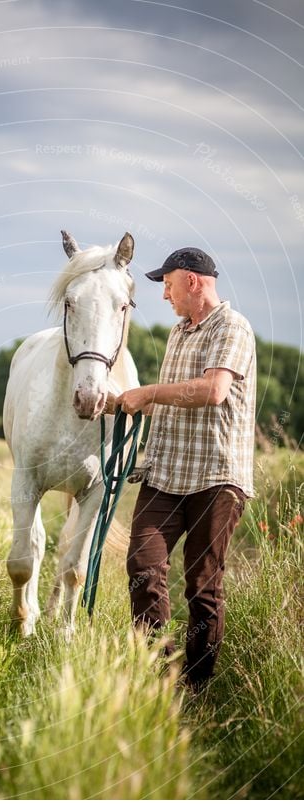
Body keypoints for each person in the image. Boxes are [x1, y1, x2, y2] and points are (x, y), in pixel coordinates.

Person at [117, 247, 256, 691]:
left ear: (192, 281)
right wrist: (122, 404)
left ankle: (196, 688)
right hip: (166, 473)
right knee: (143, 563)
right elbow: (170, 403)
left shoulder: (233, 327)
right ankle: (159, 674)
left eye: (168, 284)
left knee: (202, 584)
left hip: (216, 478)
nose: (164, 295)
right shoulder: (179, 333)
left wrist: (150, 392)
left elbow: (213, 392)